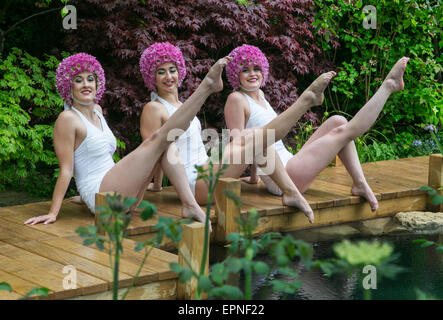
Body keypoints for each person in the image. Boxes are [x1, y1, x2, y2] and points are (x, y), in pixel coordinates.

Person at [140, 42, 340, 224]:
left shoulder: (181, 105)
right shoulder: (153, 108)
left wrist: (157, 186)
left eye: (172, 70)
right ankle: (305, 101)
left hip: (208, 166)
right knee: (258, 137)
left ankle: (290, 192)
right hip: (194, 184)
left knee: (253, 133)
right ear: (151, 76)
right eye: (161, 72)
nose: (169, 77)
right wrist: (171, 195)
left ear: (180, 71)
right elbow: (156, 152)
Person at [24, 52, 231, 226]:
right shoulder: (67, 119)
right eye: (78, 80)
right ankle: (206, 88)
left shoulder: (97, 110)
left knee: (164, 143)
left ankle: (189, 204)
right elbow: (67, 169)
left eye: (90, 79)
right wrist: (54, 212)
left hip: (122, 192)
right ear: (68, 87)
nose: (85, 84)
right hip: (102, 199)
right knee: (159, 138)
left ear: (98, 83)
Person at [224, 44, 409, 213]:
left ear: (263, 69)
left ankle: (359, 183)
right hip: (281, 181)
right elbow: (240, 147)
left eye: (256, 68)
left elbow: (258, 141)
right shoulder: (236, 99)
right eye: (245, 70)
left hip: (288, 162)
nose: (253, 74)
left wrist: (255, 177)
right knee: (343, 133)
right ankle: (388, 86)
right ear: (235, 74)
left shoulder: (260, 95)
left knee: (338, 121)